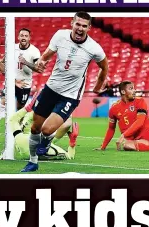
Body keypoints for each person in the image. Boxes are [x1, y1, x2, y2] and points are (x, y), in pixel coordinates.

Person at [20, 12, 108, 173]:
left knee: (46, 130)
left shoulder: (94, 48)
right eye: (78, 24)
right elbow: (47, 54)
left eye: (84, 26)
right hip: (51, 88)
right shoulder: (60, 36)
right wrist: (41, 62)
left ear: (89, 28)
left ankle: (46, 142)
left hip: (71, 95)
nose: (80, 28)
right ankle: (33, 162)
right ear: (72, 23)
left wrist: (97, 87)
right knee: (35, 128)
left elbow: (104, 67)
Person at [0, 27, 41, 140]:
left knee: (20, 109)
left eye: (26, 36)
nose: (23, 38)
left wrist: (25, 62)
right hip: (11, 81)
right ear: (18, 37)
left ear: (29, 38)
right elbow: (4, 61)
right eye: (22, 35)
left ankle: (18, 130)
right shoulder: (13, 48)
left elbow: (39, 69)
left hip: (25, 84)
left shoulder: (34, 51)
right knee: (3, 104)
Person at [99, 81, 149, 152]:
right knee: (127, 145)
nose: (134, 91)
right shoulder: (114, 108)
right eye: (131, 89)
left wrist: (123, 135)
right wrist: (103, 146)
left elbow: (140, 122)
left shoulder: (140, 101)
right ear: (123, 91)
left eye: (134, 88)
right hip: (137, 139)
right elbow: (111, 128)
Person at [10, 106, 79, 161]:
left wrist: (28, 107)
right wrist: (72, 142)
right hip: (35, 146)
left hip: (26, 145)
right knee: (67, 120)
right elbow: (70, 157)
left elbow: (13, 119)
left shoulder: (21, 139)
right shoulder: (21, 138)